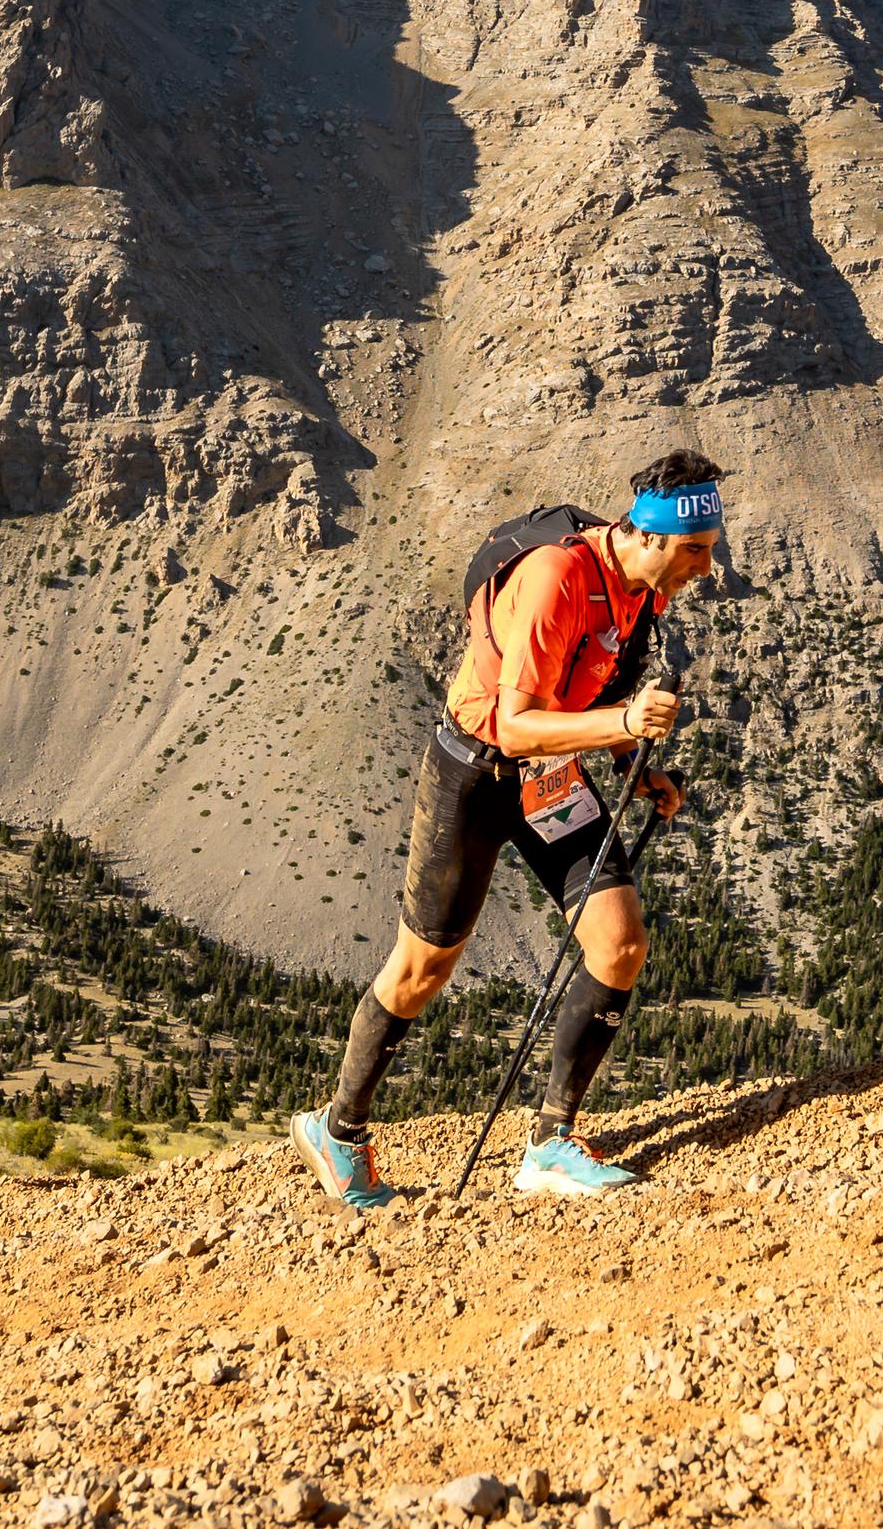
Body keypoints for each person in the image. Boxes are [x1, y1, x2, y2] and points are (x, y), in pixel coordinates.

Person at [295, 451, 724, 1204]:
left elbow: (585, 687)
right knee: (421, 969)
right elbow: (518, 722)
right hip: (475, 772)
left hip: (547, 777)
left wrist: (633, 762)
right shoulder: (557, 577)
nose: (706, 567)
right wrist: (624, 722)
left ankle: (550, 1142)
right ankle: (340, 1130)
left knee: (619, 943)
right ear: (650, 536)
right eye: (697, 549)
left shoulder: (638, 593)